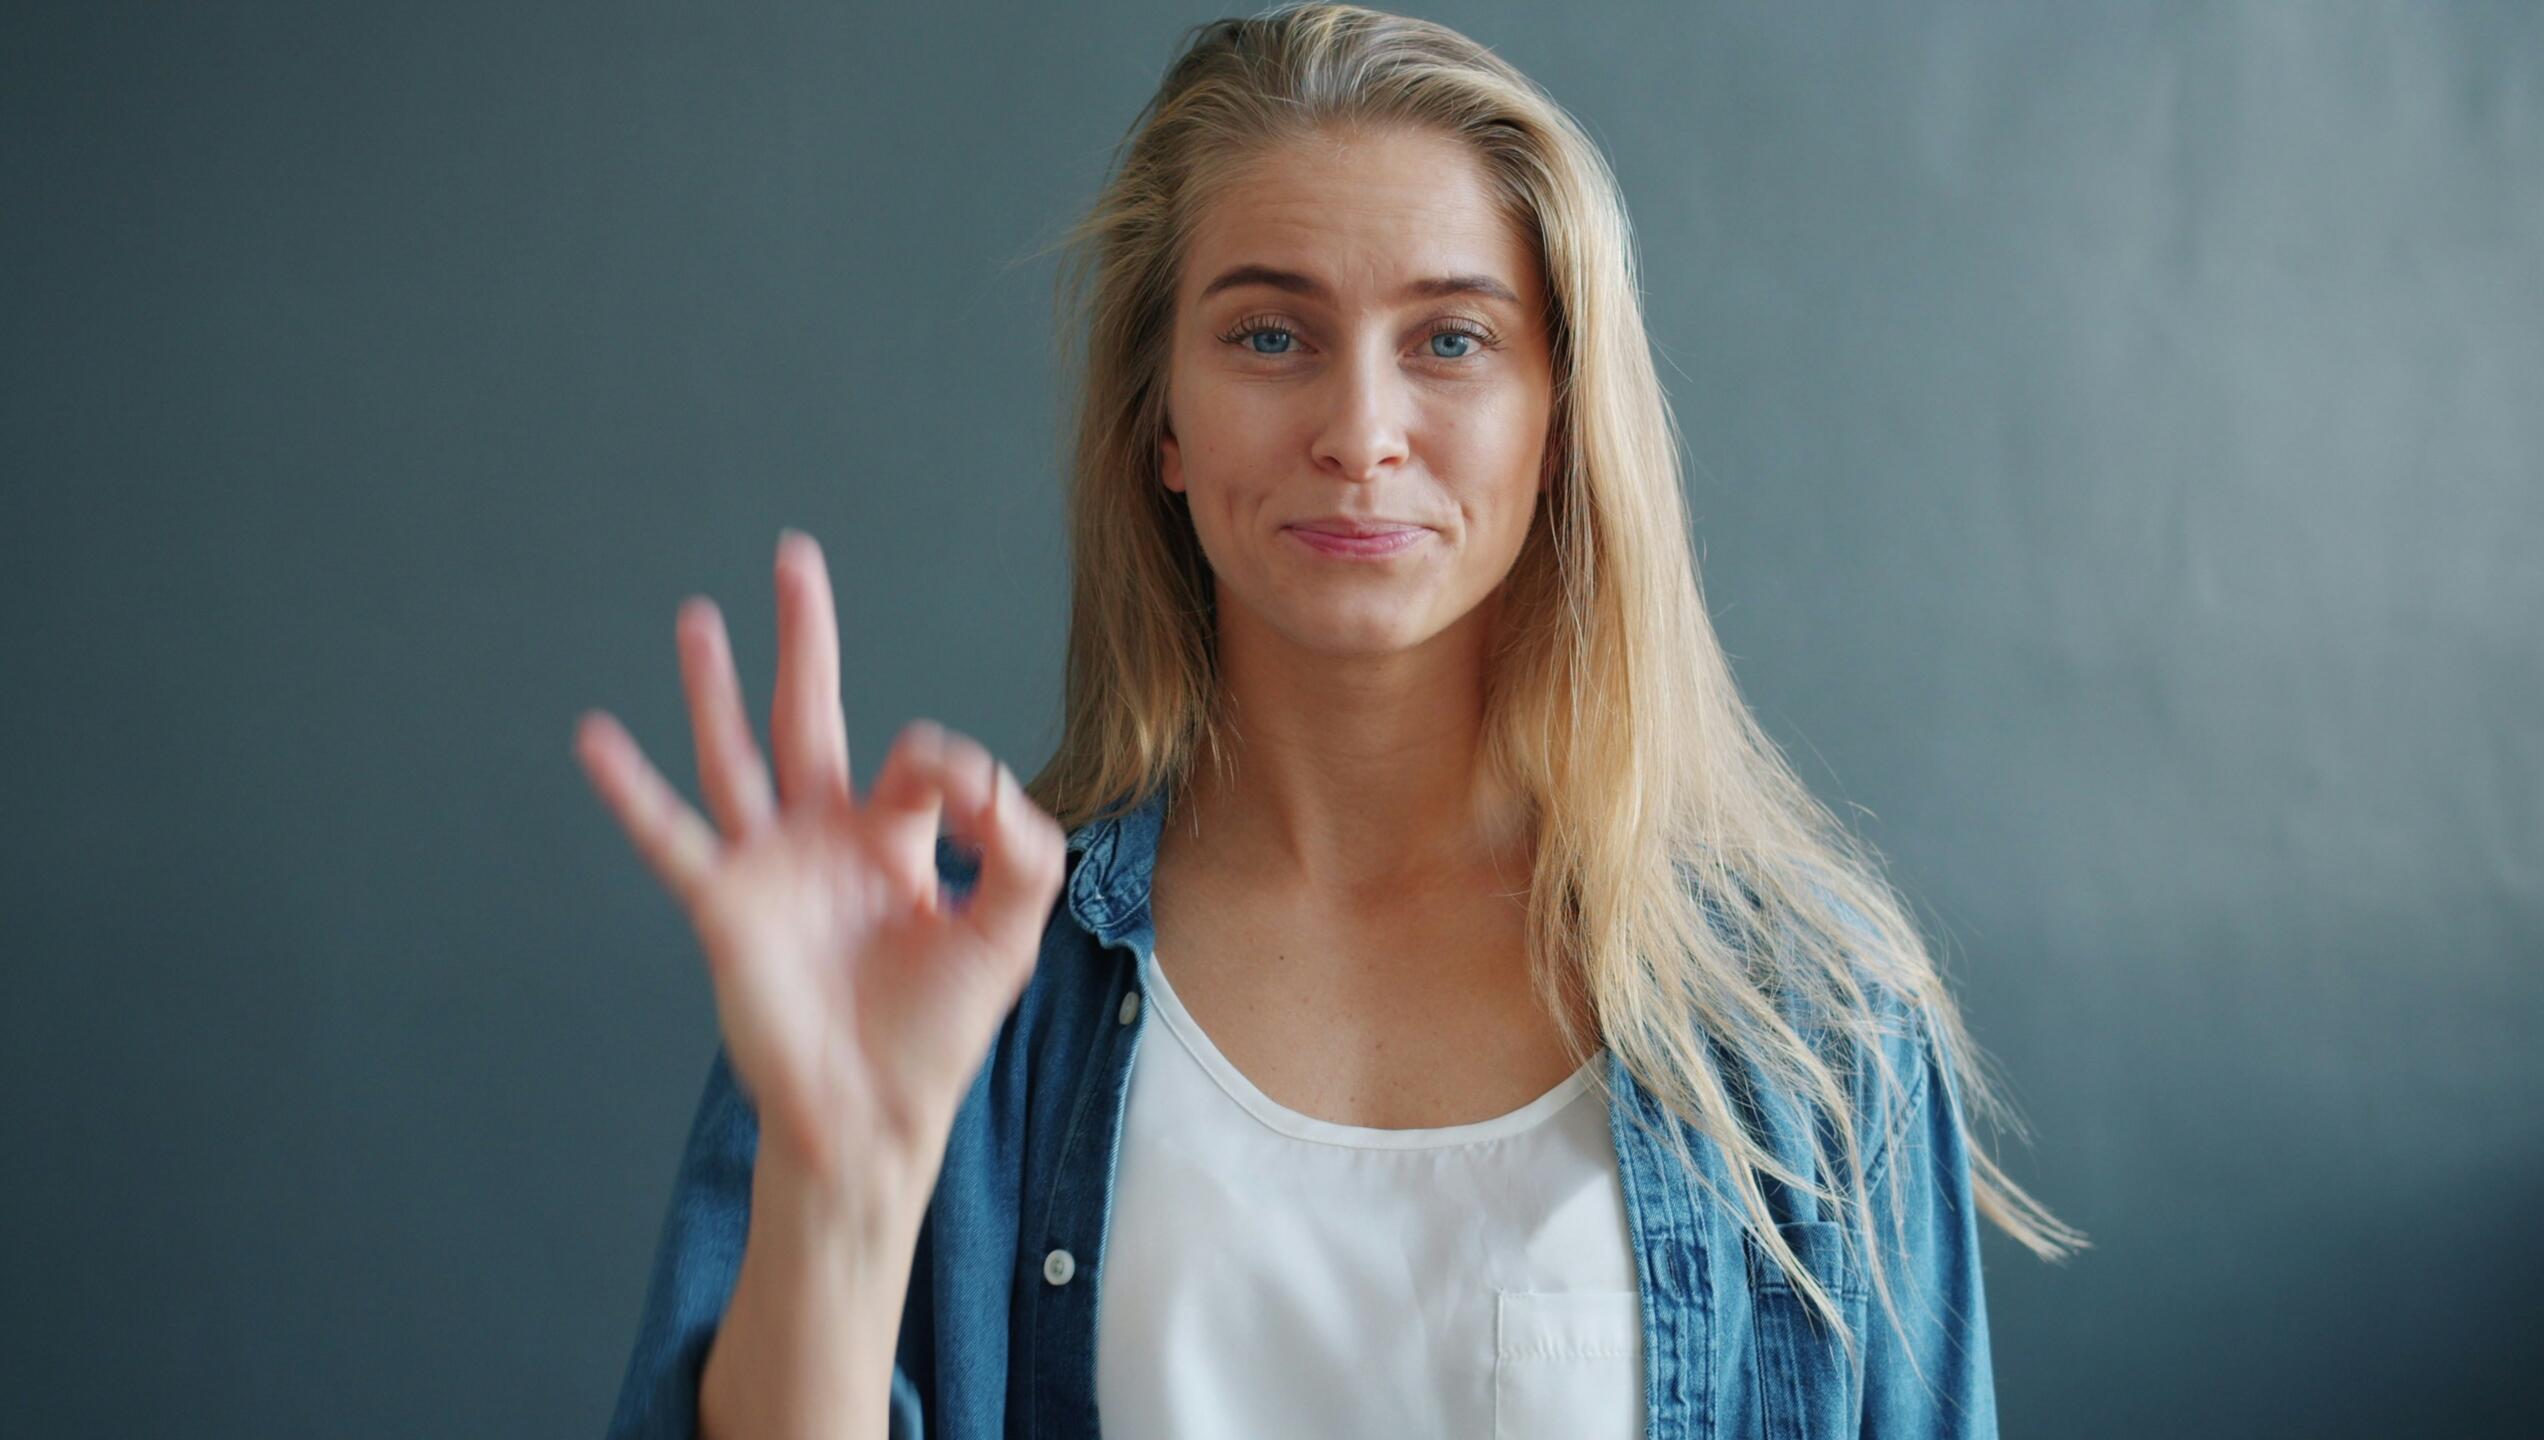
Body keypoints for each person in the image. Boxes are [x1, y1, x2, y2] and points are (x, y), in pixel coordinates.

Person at [575, 6, 2087, 1437]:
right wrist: (838, 1194)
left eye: (1451, 341)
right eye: (1270, 338)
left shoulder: (1807, 1029)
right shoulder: (929, 976)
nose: (1359, 433)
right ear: (1160, 419)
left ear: (1560, 422)